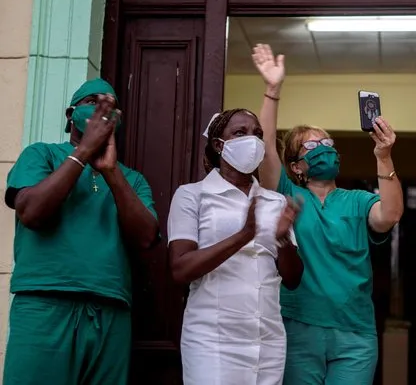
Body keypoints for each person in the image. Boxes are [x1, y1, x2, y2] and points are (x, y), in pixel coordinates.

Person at [251, 44, 404, 385]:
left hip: (356, 335)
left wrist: (384, 156)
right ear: (296, 166)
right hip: (298, 328)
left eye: (328, 144)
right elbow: (263, 154)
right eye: (312, 146)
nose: (324, 149)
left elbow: (390, 213)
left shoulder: (357, 200)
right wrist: (272, 91)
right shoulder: (288, 194)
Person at [3, 78, 160, 385]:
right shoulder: (42, 154)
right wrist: (83, 152)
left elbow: (145, 238)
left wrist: (111, 172)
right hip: (45, 304)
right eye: (92, 102)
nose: (103, 111)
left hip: (110, 309)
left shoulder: (132, 179)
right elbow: (31, 212)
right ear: (70, 114)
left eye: (112, 107)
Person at [167, 108, 304, 385]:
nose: (251, 140)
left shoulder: (274, 202)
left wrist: (281, 241)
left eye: (257, 134)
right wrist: (243, 236)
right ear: (219, 145)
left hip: (266, 338)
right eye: (240, 133)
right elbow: (180, 269)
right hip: (212, 339)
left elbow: (293, 279)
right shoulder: (192, 195)